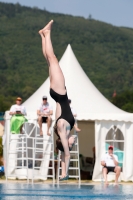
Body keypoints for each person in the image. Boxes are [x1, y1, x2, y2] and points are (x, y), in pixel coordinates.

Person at [39, 20, 76, 181]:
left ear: (66, 142)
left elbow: (66, 155)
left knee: (53, 58)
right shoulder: (65, 129)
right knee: (49, 60)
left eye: (71, 144)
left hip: (60, 93)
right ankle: (43, 35)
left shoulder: (62, 128)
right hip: (57, 94)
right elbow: (62, 155)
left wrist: (64, 173)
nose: (73, 143)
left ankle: (47, 34)